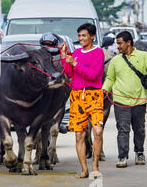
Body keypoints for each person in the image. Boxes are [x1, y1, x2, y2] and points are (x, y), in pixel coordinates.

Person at [60, 23, 105, 178]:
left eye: (84, 35)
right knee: (79, 135)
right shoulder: (77, 52)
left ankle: (95, 165)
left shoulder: (98, 52)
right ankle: (84, 169)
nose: (81, 39)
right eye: (79, 36)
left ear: (92, 36)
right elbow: (69, 73)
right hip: (77, 96)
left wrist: (75, 63)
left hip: (94, 96)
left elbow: (93, 74)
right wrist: (65, 59)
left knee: (97, 131)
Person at [102, 31, 147, 168]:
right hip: (121, 102)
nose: (118, 47)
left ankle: (139, 152)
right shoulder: (115, 60)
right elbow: (110, 79)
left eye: (120, 43)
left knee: (139, 129)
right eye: (117, 43)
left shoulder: (144, 57)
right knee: (122, 129)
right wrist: (104, 89)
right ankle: (122, 156)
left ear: (129, 42)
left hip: (139, 100)